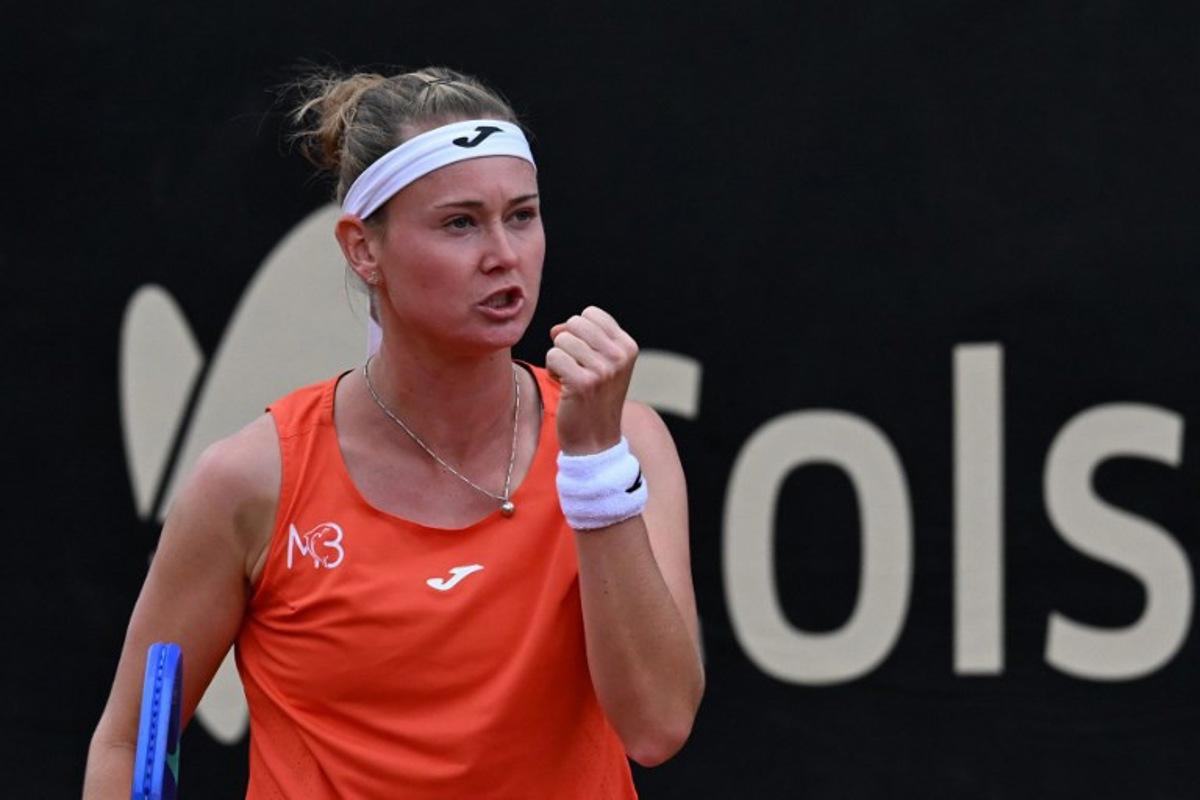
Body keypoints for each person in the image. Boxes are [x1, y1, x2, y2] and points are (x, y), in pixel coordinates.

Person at [84, 66, 704, 798]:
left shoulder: (622, 443)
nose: (503, 254)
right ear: (362, 249)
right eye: (460, 222)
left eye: (523, 215)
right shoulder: (252, 481)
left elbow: (656, 728)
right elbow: (130, 743)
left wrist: (596, 468)